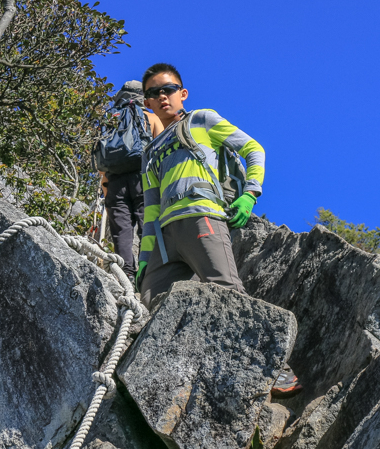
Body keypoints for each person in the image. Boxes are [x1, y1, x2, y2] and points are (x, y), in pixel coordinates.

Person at [135, 63, 300, 396]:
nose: (162, 96)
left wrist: (250, 194)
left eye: (167, 89)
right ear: (147, 103)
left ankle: (276, 370)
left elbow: (254, 149)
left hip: (202, 216)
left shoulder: (202, 120)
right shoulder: (149, 154)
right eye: (153, 93)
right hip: (165, 238)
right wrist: (144, 257)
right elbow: (151, 209)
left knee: (225, 289)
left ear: (182, 93)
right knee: (152, 301)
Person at [99, 80, 163, 280]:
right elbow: (160, 152)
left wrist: (106, 190)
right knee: (148, 227)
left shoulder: (110, 120)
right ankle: (151, 274)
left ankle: (126, 274)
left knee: (121, 233)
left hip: (115, 181)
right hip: (143, 179)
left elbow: (101, 160)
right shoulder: (150, 118)